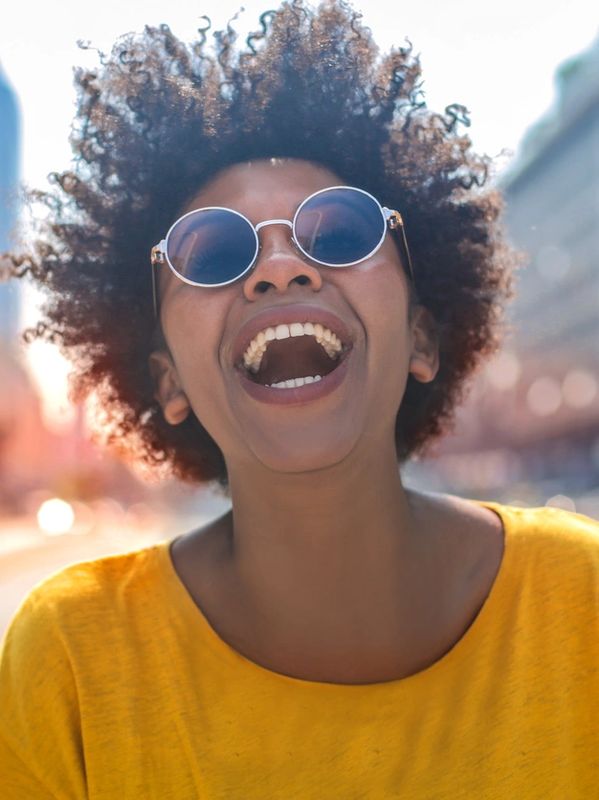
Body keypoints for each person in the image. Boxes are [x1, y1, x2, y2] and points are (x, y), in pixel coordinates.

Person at [1, 0, 598, 797]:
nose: (281, 268)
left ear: (421, 338)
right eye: (211, 252)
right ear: (169, 381)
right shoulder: (69, 659)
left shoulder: (583, 599)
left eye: (341, 234)